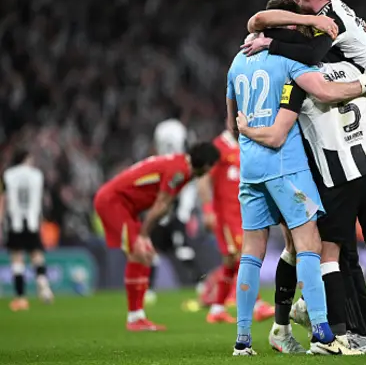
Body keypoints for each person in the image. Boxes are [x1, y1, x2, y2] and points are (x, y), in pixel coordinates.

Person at [235, 30, 366, 354]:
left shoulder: (301, 78)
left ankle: (331, 332)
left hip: (333, 178)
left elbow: (279, 133)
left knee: (317, 251)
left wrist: (247, 129)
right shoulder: (353, 70)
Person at [93, 142, 218, 331]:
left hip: (126, 206)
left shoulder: (179, 165)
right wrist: (143, 233)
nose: (210, 171)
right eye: (211, 166)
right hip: (114, 203)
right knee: (139, 252)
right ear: (206, 164)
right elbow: (161, 204)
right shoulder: (180, 171)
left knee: (148, 254)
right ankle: (134, 318)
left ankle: (138, 316)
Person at [196, 130, 275, 324]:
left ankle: (216, 309)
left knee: (231, 263)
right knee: (244, 256)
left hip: (245, 213)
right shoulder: (219, 146)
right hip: (226, 215)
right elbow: (204, 178)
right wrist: (207, 210)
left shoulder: (250, 141)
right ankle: (257, 305)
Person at [147, 116, 199, 304]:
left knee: (176, 245)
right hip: (169, 203)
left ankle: (198, 282)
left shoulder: (165, 162)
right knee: (169, 246)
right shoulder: (182, 162)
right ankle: (198, 282)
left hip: (169, 203)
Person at [0, 149, 53, 311]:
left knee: (17, 258)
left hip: (15, 221)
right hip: (32, 221)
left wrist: (1, 219)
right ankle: (43, 284)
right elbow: (41, 198)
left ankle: (21, 297)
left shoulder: (8, 175)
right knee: (36, 254)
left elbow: (4, 198)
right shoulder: (37, 175)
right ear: (26, 158)